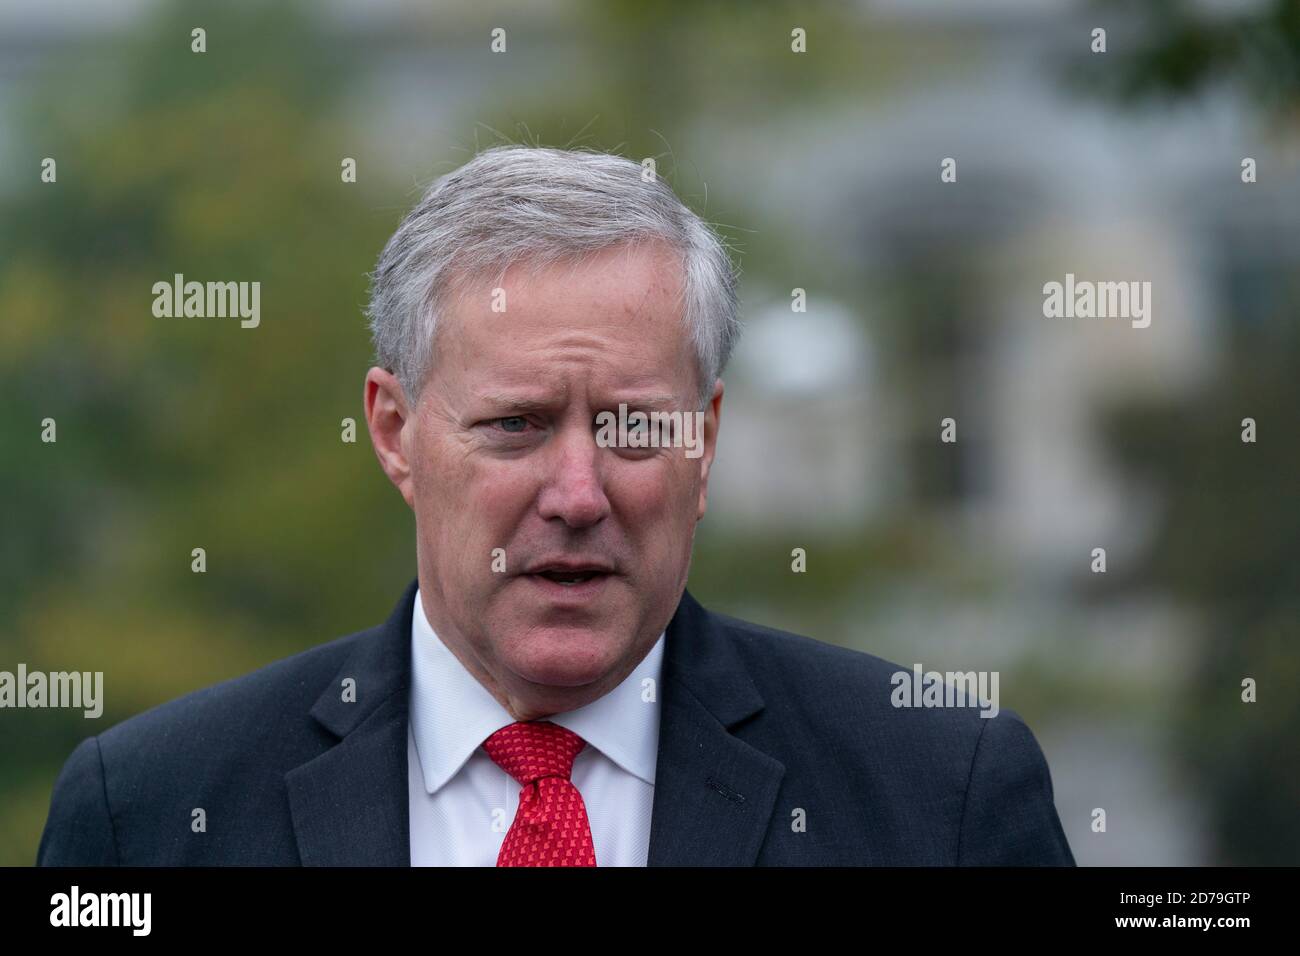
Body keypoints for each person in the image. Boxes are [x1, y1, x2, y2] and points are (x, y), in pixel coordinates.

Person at [37, 145, 1074, 866]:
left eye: (633, 427)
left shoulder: (940, 794)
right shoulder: (155, 811)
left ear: (704, 440)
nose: (578, 494)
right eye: (516, 425)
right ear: (395, 431)